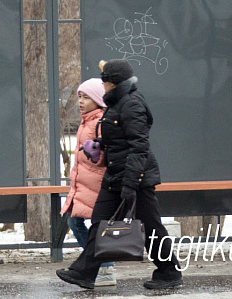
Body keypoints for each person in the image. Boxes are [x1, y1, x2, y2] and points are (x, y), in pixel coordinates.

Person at [56, 59, 183, 291]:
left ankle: (169, 271)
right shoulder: (116, 103)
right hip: (115, 173)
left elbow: (139, 147)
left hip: (136, 178)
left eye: (104, 80)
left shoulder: (132, 104)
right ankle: (84, 272)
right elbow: (120, 139)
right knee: (99, 222)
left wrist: (131, 183)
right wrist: (99, 145)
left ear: (111, 82)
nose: (102, 84)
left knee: (151, 226)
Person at [60, 78, 115, 287]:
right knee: (75, 222)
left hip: (97, 185)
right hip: (84, 184)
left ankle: (106, 267)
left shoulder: (100, 121)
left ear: (98, 99)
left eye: (86, 97)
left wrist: (95, 154)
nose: (81, 101)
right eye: (79, 97)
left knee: (92, 226)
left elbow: (104, 156)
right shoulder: (86, 121)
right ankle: (99, 265)